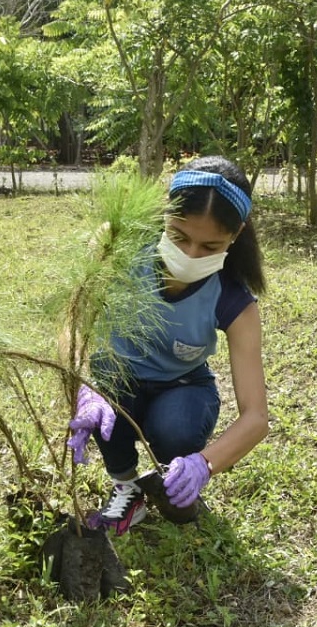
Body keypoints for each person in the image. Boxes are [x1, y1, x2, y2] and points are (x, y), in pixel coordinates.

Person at [67, 155, 269, 534]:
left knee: (176, 428)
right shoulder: (117, 248)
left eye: (210, 246)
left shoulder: (232, 300)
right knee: (107, 407)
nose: (190, 255)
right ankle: (126, 487)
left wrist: (203, 464)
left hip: (182, 386)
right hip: (117, 378)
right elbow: (72, 323)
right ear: (164, 213)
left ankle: (176, 478)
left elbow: (256, 417)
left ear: (236, 234)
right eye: (179, 236)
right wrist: (83, 387)